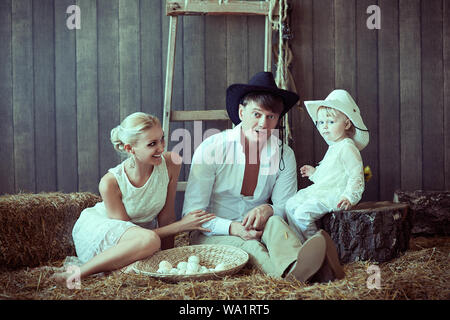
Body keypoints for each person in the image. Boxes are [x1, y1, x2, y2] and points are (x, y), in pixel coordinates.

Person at [182, 72, 344, 283]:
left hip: (258, 228)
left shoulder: (284, 154)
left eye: (271, 117)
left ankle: (303, 265)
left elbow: (286, 206)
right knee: (251, 247)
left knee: (276, 222)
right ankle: (291, 277)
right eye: (257, 114)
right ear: (242, 112)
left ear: (278, 119)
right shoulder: (211, 148)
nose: (263, 124)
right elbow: (193, 215)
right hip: (211, 233)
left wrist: (269, 209)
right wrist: (233, 228)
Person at [51, 112, 214, 286]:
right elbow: (129, 233)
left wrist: (169, 258)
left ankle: (114, 270)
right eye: (152, 144)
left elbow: (166, 217)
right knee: (149, 242)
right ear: (130, 149)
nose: (161, 148)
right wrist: (181, 226)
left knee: (146, 263)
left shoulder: (172, 163)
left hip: (143, 239)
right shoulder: (110, 183)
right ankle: (77, 274)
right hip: (106, 233)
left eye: (162, 139)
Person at [286, 89, 369, 243]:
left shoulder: (347, 147)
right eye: (321, 122)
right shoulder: (334, 146)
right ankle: (299, 244)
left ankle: (318, 244)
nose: (325, 127)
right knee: (290, 205)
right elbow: (331, 174)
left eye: (331, 122)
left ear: (347, 123)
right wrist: (314, 172)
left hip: (335, 194)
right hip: (322, 190)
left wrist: (350, 196)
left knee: (302, 214)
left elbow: (355, 174)